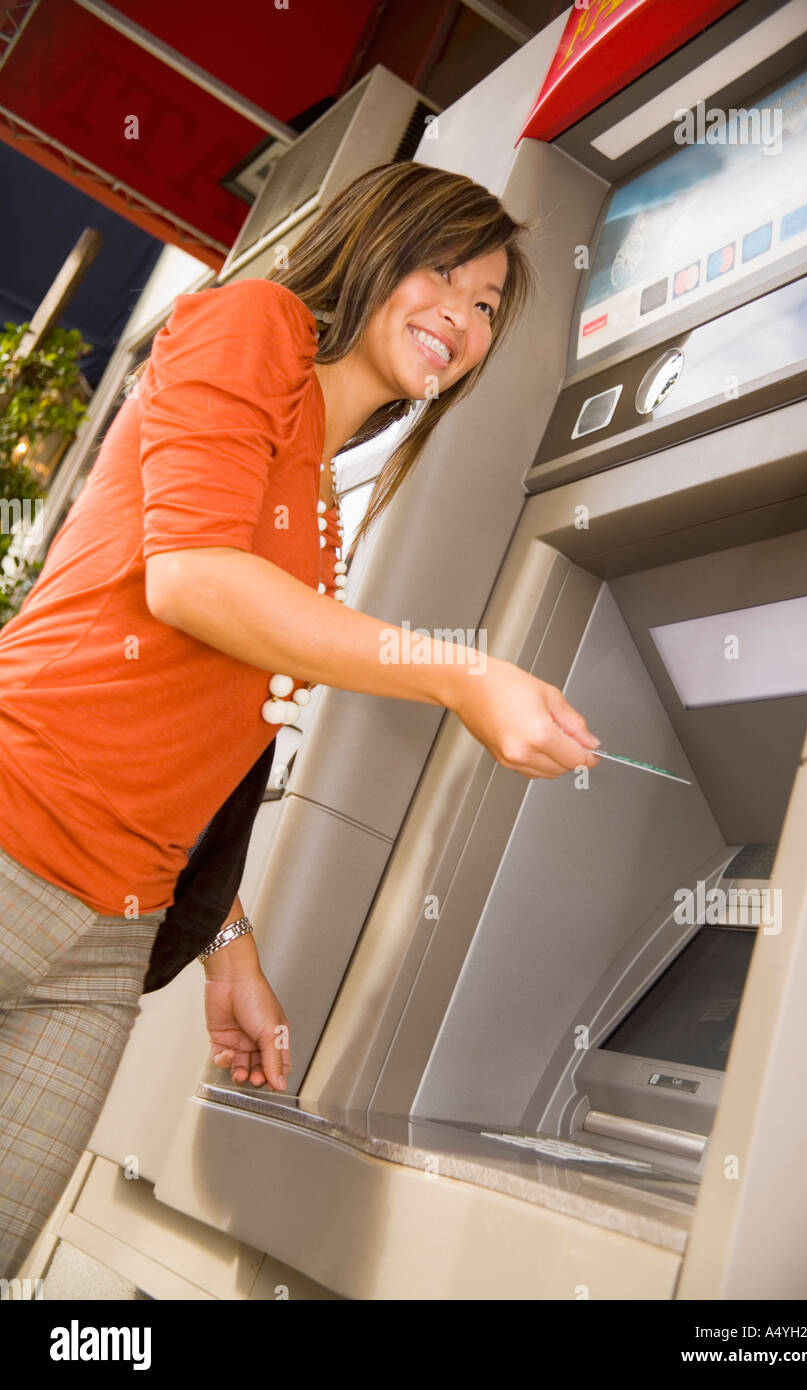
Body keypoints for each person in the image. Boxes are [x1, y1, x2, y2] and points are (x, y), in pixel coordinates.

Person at [0, 161, 600, 1276]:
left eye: (484, 310)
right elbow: (193, 583)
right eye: (442, 275)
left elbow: (208, 737)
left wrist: (227, 944)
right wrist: (459, 675)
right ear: (376, 249)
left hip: (114, 927)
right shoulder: (253, 325)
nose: (460, 322)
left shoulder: (322, 507)